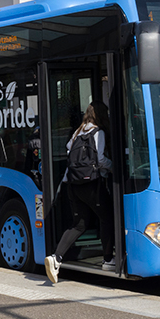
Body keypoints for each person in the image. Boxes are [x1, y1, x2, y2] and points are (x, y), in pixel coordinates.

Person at [45, 102, 115, 284]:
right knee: (107, 217)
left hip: (73, 184)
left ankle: (56, 258)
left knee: (79, 224)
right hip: (92, 184)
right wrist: (114, 167)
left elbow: (69, 152)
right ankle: (108, 260)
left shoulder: (77, 132)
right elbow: (99, 159)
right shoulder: (98, 132)